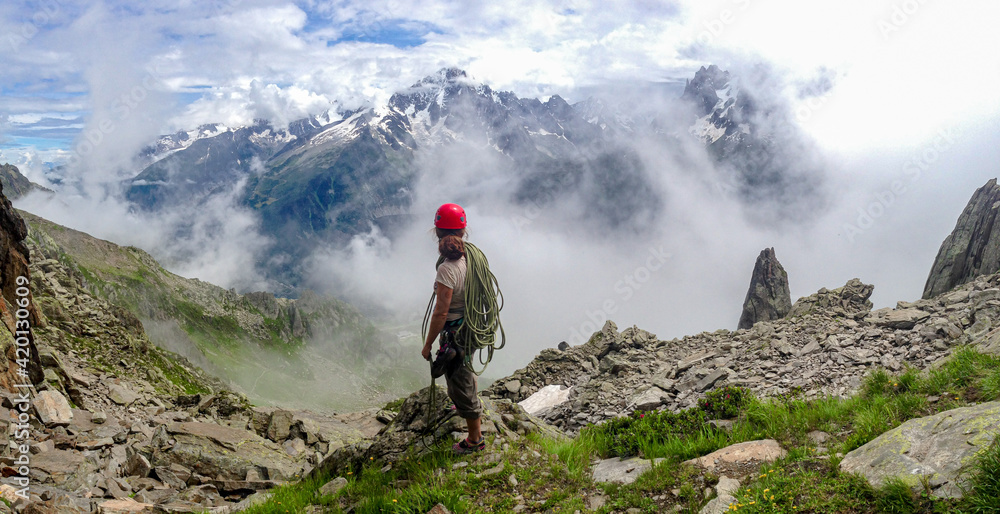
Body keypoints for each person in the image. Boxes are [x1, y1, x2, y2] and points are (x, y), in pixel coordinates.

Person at [421, 203, 484, 454]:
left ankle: (475, 440)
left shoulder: (447, 269)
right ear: (463, 230)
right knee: (464, 368)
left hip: (455, 332)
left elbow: (441, 312)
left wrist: (427, 344)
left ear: (437, 231)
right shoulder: (472, 256)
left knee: (460, 378)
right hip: (469, 326)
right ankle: (463, 404)